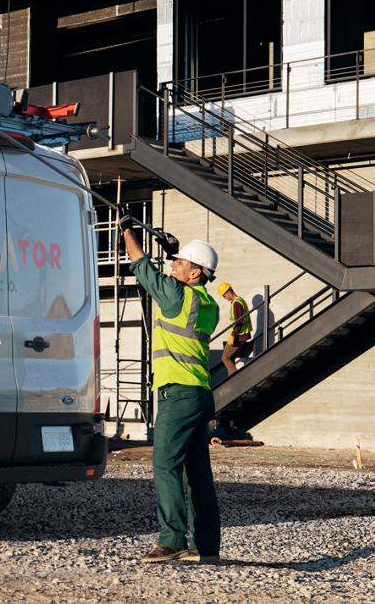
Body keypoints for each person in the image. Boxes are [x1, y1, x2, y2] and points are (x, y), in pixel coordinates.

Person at [121, 224, 221, 564]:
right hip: (200, 394)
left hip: (177, 394)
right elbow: (172, 278)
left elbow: (140, 265)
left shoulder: (176, 295)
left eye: (179, 262)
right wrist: (171, 250)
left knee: (165, 464)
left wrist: (126, 229)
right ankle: (206, 546)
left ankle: (171, 540)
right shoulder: (207, 302)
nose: (172, 264)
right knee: (198, 473)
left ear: (194, 272)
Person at [218, 282, 254, 377]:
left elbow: (239, 321)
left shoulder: (236, 303)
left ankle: (236, 379)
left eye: (224, 296)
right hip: (241, 335)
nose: (224, 298)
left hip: (238, 336)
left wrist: (233, 335)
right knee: (231, 359)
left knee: (225, 358)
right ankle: (232, 379)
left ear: (228, 292)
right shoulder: (240, 300)